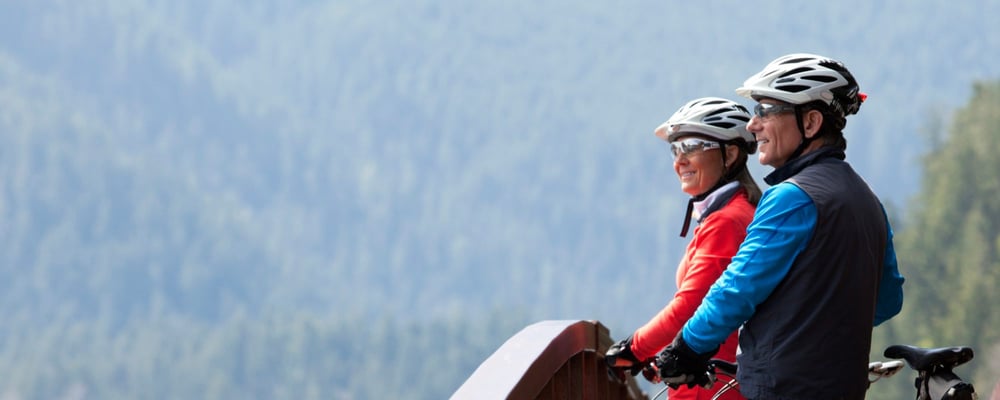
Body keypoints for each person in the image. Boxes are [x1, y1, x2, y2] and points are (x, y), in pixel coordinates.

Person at [654, 53, 906, 400]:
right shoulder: (867, 199)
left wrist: (685, 347)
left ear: (811, 122)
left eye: (766, 111)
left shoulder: (792, 197)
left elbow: (737, 288)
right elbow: (888, 300)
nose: (752, 125)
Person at [605, 97, 761, 400]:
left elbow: (690, 306)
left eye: (691, 146)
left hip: (712, 388)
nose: (680, 161)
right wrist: (665, 352)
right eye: (675, 149)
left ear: (730, 154)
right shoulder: (736, 211)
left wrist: (633, 348)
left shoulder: (728, 221)